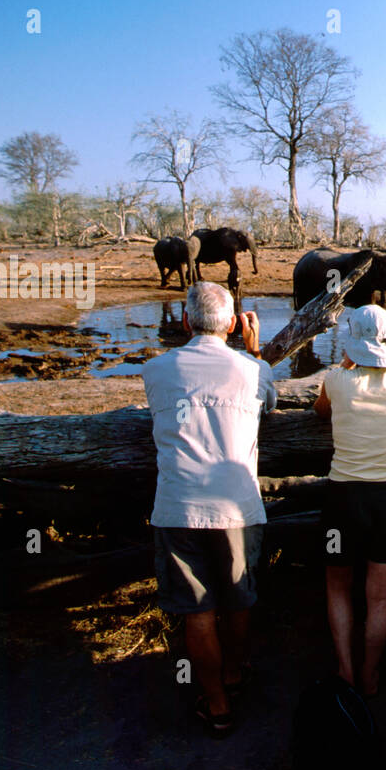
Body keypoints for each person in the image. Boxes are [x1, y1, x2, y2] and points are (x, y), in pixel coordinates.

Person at [143, 282, 276, 738]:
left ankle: (217, 704)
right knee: (238, 599)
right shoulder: (253, 370)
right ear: (236, 324)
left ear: (184, 322)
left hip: (179, 505)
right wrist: (256, 352)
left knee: (197, 611)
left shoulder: (155, 369)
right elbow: (268, 406)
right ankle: (235, 675)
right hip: (238, 505)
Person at [313, 304, 386, 696]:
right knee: (380, 595)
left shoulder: (336, 379)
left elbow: (320, 410)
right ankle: (370, 675)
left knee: (338, 586)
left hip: (343, 497)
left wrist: (348, 362)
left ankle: (345, 669)